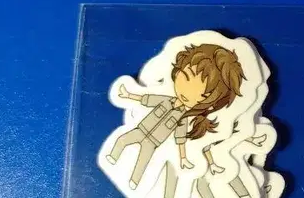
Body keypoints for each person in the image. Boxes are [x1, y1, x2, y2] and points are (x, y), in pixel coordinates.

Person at [105, 43, 245, 190]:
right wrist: (128, 95)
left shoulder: (183, 118)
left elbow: (180, 138)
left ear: (210, 103)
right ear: (178, 72)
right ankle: (112, 158)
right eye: (186, 77)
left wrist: (183, 158)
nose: (188, 92)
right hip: (140, 130)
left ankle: (134, 182)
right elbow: (146, 99)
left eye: (203, 96)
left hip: (153, 142)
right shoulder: (166, 100)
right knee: (122, 140)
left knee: (143, 161)